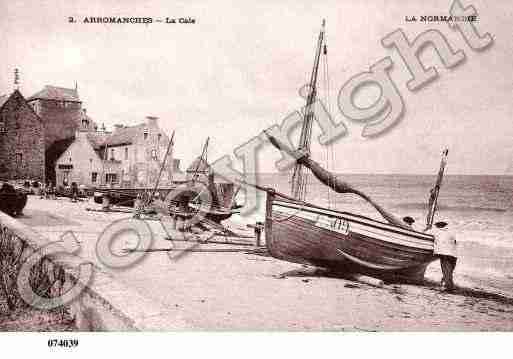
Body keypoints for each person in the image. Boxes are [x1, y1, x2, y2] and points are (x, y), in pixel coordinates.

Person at [431, 221, 458, 291]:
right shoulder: (451, 232)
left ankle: (447, 286)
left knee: (446, 270)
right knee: (450, 271)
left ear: (438, 226)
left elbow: (428, 235)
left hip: (444, 253)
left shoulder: (436, 232)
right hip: (453, 254)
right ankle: (449, 285)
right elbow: (455, 242)